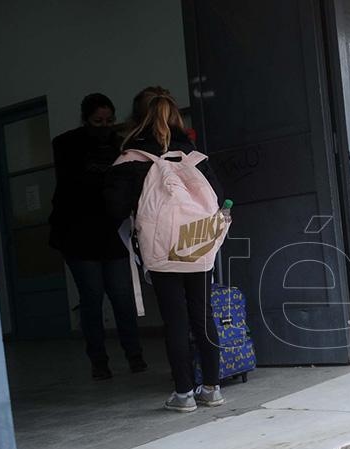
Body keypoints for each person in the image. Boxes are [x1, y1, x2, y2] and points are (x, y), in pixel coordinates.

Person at [106, 87, 224, 412]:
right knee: (203, 315)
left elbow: (113, 208)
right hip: (198, 242)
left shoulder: (131, 159)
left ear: (136, 117)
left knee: (175, 320)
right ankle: (212, 388)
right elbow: (219, 196)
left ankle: (184, 394)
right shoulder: (195, 157)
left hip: (161, 248)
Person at [49, 93, 146, 381]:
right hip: (79, 232)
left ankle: (133, 355)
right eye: (98, 121)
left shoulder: (119, 144)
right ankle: (100, 360)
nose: (104, 126)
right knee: (92, 297)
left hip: (110, 231)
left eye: (108, 120)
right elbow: (73, 186)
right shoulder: (69, 145)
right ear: (86, 120)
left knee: (121, 297)